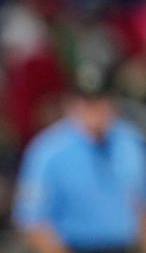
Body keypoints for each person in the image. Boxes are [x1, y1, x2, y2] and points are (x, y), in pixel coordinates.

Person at [13, 61, 146, 253]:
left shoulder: (130, 143)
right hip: (75, 247)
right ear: (71, 103)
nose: (95, 110)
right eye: (87, 102)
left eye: (101, 100)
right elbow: (32, 220)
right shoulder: (48, 150)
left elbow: (141, 206)